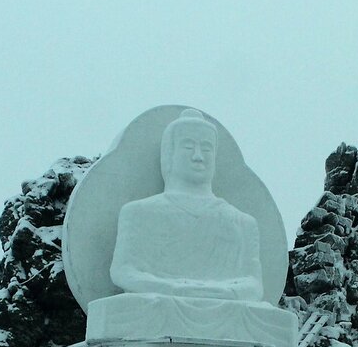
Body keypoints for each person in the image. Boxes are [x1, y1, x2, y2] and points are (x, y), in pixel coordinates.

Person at [110, 108, 264, 301]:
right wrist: (174, 290)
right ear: (169, 154)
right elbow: (123, 272)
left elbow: (254, 285)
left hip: (224, 306)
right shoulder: (139, 212)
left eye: (207, 148)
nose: (198, 156)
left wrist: (224, 293)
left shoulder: (242, 223)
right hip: (160, 304)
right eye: (188, 147)